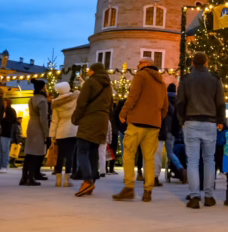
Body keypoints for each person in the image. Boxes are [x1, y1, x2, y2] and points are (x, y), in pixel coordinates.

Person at [176, 52, 225, 209]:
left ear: (193, 62)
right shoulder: (215, 79)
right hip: (210, 122)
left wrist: (181, 120)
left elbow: (180, 102)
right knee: (209, 159)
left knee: (192, 161)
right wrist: (221, 121)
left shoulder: (185, 79)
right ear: (206, 62)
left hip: (191, 121)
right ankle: (209, 196)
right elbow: (220, 102)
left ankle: (195, 196)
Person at [114, 58, 167, 202]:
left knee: (129, 153)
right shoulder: (161, 81)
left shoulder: (141, 76)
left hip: (137, 122)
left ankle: (129, 187)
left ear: (146, 64)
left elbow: (132, 97)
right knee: (149, 158)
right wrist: (157, 117)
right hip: (154, 125)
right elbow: (165, 106)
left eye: (139, 63)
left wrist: (123, 113)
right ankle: (148, 191)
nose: (137, 66)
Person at [73, 63, 112, 197]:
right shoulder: (108, 86)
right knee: (94, 152)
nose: (88, 72)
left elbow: (81, 102)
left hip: (89, 119)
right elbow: (110, 105)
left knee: (82, 150)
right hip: (102, 121)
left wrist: (75, 118)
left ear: (93, 71)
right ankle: (92, 182)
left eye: (90, 70)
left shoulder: (90, 82)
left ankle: (87, 181)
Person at [50, 81, 79, 187]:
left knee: (60, 156)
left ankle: (58, 180)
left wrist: (52, 135)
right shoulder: (75, 98)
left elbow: (54, 120)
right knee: (70, 155)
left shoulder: (56, 102)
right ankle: (67, 180)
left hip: (60, 131)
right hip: (73, 130)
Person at [21, 78, 49, 186]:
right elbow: (43, 119)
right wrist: (47, 134)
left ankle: (24, 177)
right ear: (42, 88)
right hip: (38, 128)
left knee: (29, 153)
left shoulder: (31, 99)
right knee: (36, 153)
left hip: (31, 125)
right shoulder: (42, 100)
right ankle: (30, 177)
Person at [163, 83, 185, 182]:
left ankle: (180, 168)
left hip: (165, 129)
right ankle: (181, 168)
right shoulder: (178, 101)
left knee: (169, 152)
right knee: (171, 151)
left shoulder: (165, 100)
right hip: (175, 130)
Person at [0, 97, 17, 173]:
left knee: (4, 150)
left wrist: (3, 118)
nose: (4, 104)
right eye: (3, 103)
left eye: (5, 103)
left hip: (6, 132)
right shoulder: (0, 110)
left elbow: (12, 120)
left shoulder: (11, 111)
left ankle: (4, 166)